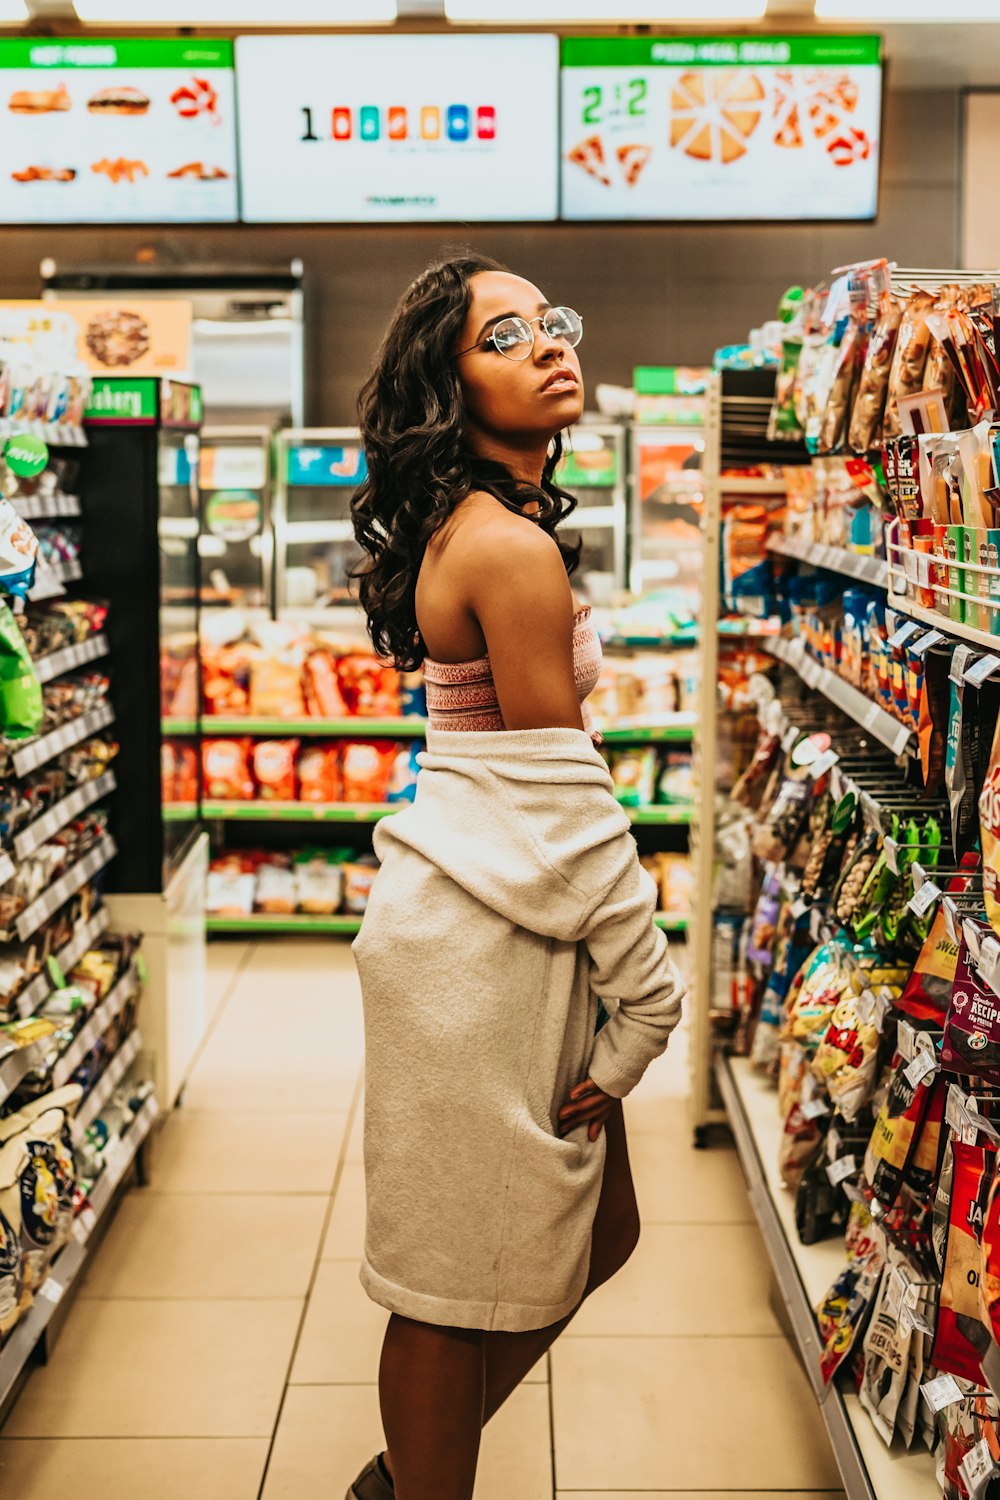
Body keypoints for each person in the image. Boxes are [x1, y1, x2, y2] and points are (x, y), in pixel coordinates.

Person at [347, 251, 685, 1500]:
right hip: (485, 947)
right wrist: (648, 1000)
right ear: (449, 383)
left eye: (549, 321)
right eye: (504, 336)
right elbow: (561, 797)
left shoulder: (485, 527)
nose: (547, 344)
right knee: (449, 1277)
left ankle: (401, 1479)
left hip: (482, 919)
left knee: (601, 1228)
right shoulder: (506, 547)